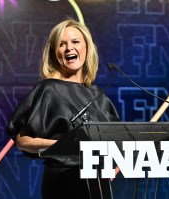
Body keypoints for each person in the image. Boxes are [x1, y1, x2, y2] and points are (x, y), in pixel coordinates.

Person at [7, 18, 120, 199]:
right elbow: (22, 140)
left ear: (87, 48)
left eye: (75, 42)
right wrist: (64, 146)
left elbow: (118, 143)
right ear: (55, 53)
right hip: (63, 183)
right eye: (62, 44)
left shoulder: (98, 94)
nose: (69, 48)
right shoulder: (49, 89)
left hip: (97, 185)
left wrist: (114, 169)